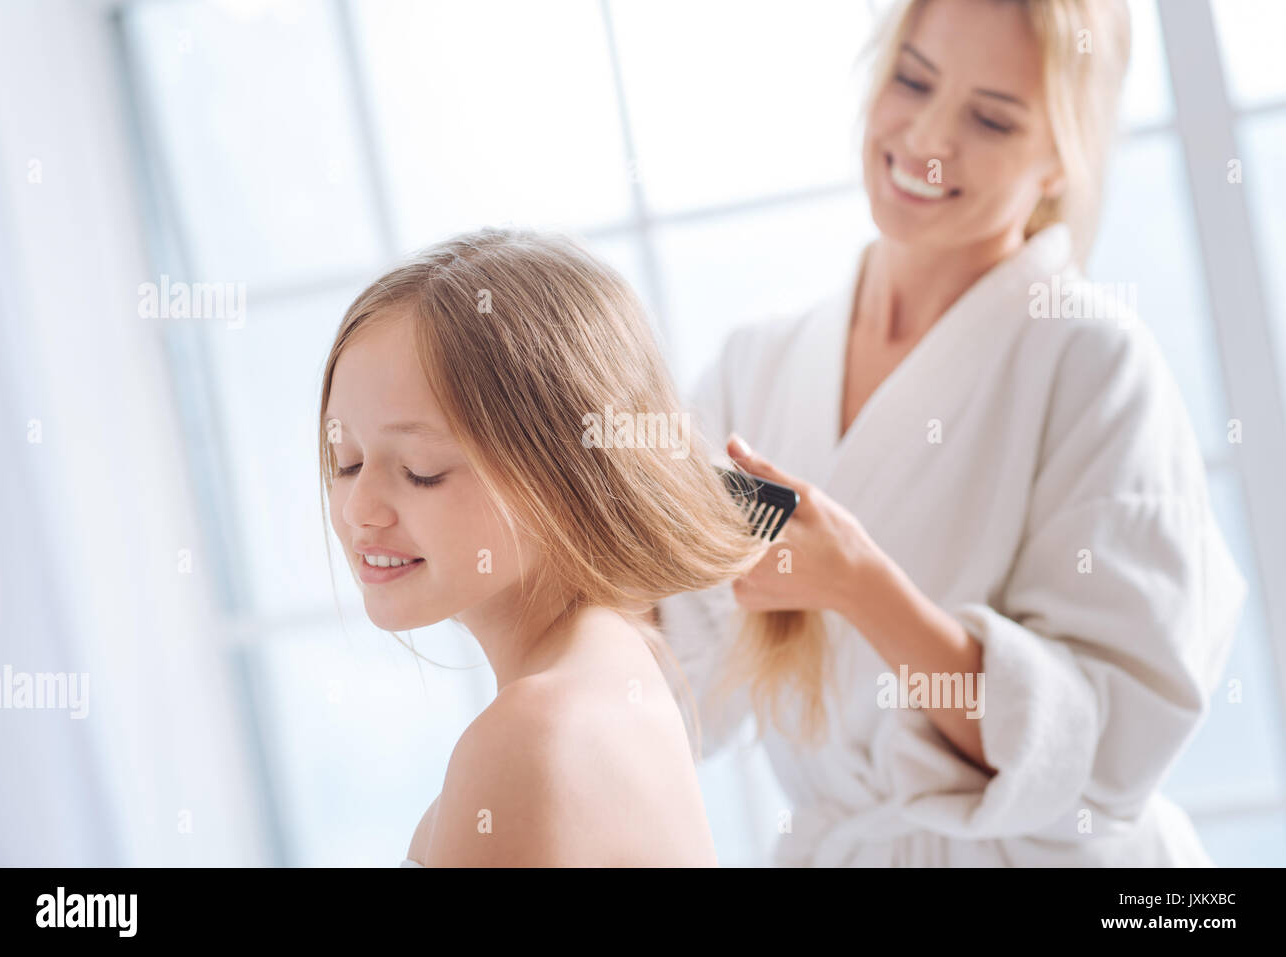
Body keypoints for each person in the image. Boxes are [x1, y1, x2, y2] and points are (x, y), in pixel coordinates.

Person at [654, 0, 1247, 866]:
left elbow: (1095, 761)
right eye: (913, 78)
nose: (926, 137)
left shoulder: (1094, 363)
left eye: (991, 117)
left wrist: (864, 588)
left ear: (1059, 159)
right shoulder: (762, 364)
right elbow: (674, 667)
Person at [318, 227, 771, 866]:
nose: (358, 509)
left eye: (420, 469)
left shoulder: (531, 734)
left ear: (561, 475)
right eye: (345, 462)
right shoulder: (618, 667)